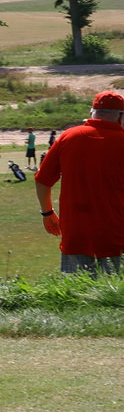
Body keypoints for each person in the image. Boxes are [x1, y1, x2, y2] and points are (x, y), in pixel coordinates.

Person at [34, 90, 124, 276]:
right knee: (115, 297)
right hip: (116, 235)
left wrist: (47, 212)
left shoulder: (69, 136)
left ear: (93, 112)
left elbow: (42, 180)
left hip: (76, 233)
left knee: (75, 294)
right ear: (120, 116)